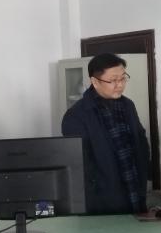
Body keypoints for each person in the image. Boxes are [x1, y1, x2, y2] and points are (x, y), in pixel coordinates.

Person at [62, 54, 150, 214]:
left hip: (135, 189)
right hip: (103, 202)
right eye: (113, 80)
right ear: (95, 82)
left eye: (123, 78)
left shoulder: (128, 105)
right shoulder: (76, 116)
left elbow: (141, 143)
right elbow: (80, 168)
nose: (120, 85)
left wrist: (143, 177)